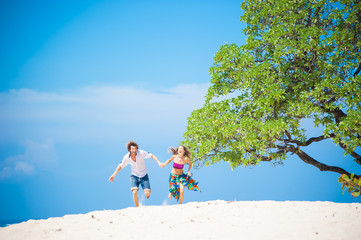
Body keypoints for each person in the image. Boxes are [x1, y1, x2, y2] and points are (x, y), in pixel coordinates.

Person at [109, 141, 162, 207]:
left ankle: (147, 192)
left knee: (147, 194)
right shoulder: (126, 157)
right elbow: (120, 166)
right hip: (134, 176)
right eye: (133, 149)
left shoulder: (141, 153)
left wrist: (159, 162)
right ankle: (137, 208)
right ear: (129, 150)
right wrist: (114, 175)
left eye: (135, 149)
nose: (134, 150)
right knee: (134, 191)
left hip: (144, 176)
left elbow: (151, 155)